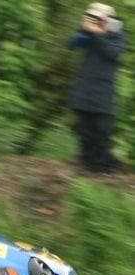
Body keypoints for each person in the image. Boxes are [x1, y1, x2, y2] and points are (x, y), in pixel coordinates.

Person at [68, 3, 127, 173]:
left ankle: (102, 169)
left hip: (104, 91)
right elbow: (72, 44)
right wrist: (85, 29)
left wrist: (98, 34)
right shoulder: (88, 32)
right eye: (92, 16)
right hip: (84, 87)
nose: (95, 19)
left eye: (98, 16)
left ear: (108, 18)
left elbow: (113, 53)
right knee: (84, 130)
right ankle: (86, 165)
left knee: (102, 132)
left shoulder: (118, 34)